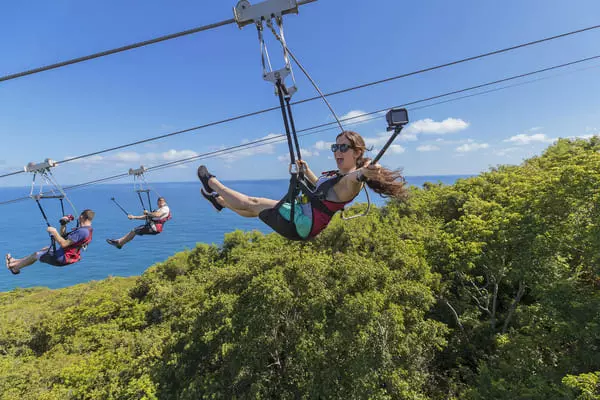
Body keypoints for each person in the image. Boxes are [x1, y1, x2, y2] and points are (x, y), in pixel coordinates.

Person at [197, 130, 406, 240]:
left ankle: (211, 183)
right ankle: (220, 202)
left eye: (343, 147)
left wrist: (365, 171)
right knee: (256, 210)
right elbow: (321, 190)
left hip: (303, 223)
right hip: (305, 216)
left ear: (357, 152)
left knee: (254, 203)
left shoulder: (351, 181)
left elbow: (355, 178)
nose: (337, 152)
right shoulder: (338, 175)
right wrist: (307, 172)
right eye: (335, 146)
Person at [5, 209, 95, 275]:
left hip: (63, 257)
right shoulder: (87, 230)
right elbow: (63, 237)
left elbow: (63, 244)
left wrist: (54, 232)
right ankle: (14, 262)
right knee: (45, 248)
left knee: (37, 255)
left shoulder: (82, 231)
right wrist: (63, 224)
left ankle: (15, 268)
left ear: (82, 217)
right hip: (68, 255)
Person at [106, 197, 171, 249]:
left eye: (160, 202)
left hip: (154, 228)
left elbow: (157, 215)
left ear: (162, 202)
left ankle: (119, 243)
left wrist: (148, 213)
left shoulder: (165, 209)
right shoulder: (160, 209)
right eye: (159, 202)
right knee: (133, 231)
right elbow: (147, 217)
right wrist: (134, 217)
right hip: (152, 226)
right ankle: (119, 242)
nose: (159, 204)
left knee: (134, 231)